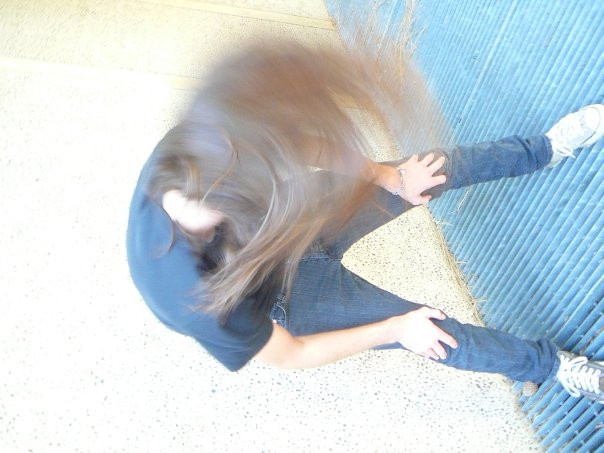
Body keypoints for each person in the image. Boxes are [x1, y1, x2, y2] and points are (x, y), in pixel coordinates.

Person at [126, 43, 604, 403]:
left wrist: (390, 177)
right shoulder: (189, 299)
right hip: (284, 297)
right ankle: (553, 367)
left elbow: (302, 145)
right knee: (432, 333)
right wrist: (395, 329)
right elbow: (291, 354)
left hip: (297, 227)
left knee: (430, 171)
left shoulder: (205, 139)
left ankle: (544, 149)